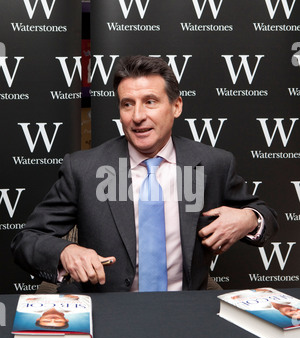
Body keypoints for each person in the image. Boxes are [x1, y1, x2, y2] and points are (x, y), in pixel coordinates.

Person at [11, 55, 278, 293]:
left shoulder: (212, 164)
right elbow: (27, 240)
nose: (137, 116)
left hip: (185, 310)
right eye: (127, 104)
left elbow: (264, 214)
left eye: (150, 102)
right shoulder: (85, 169)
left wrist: (248, 218)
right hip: (108, 312)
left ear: (176, 106)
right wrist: (65, 251)